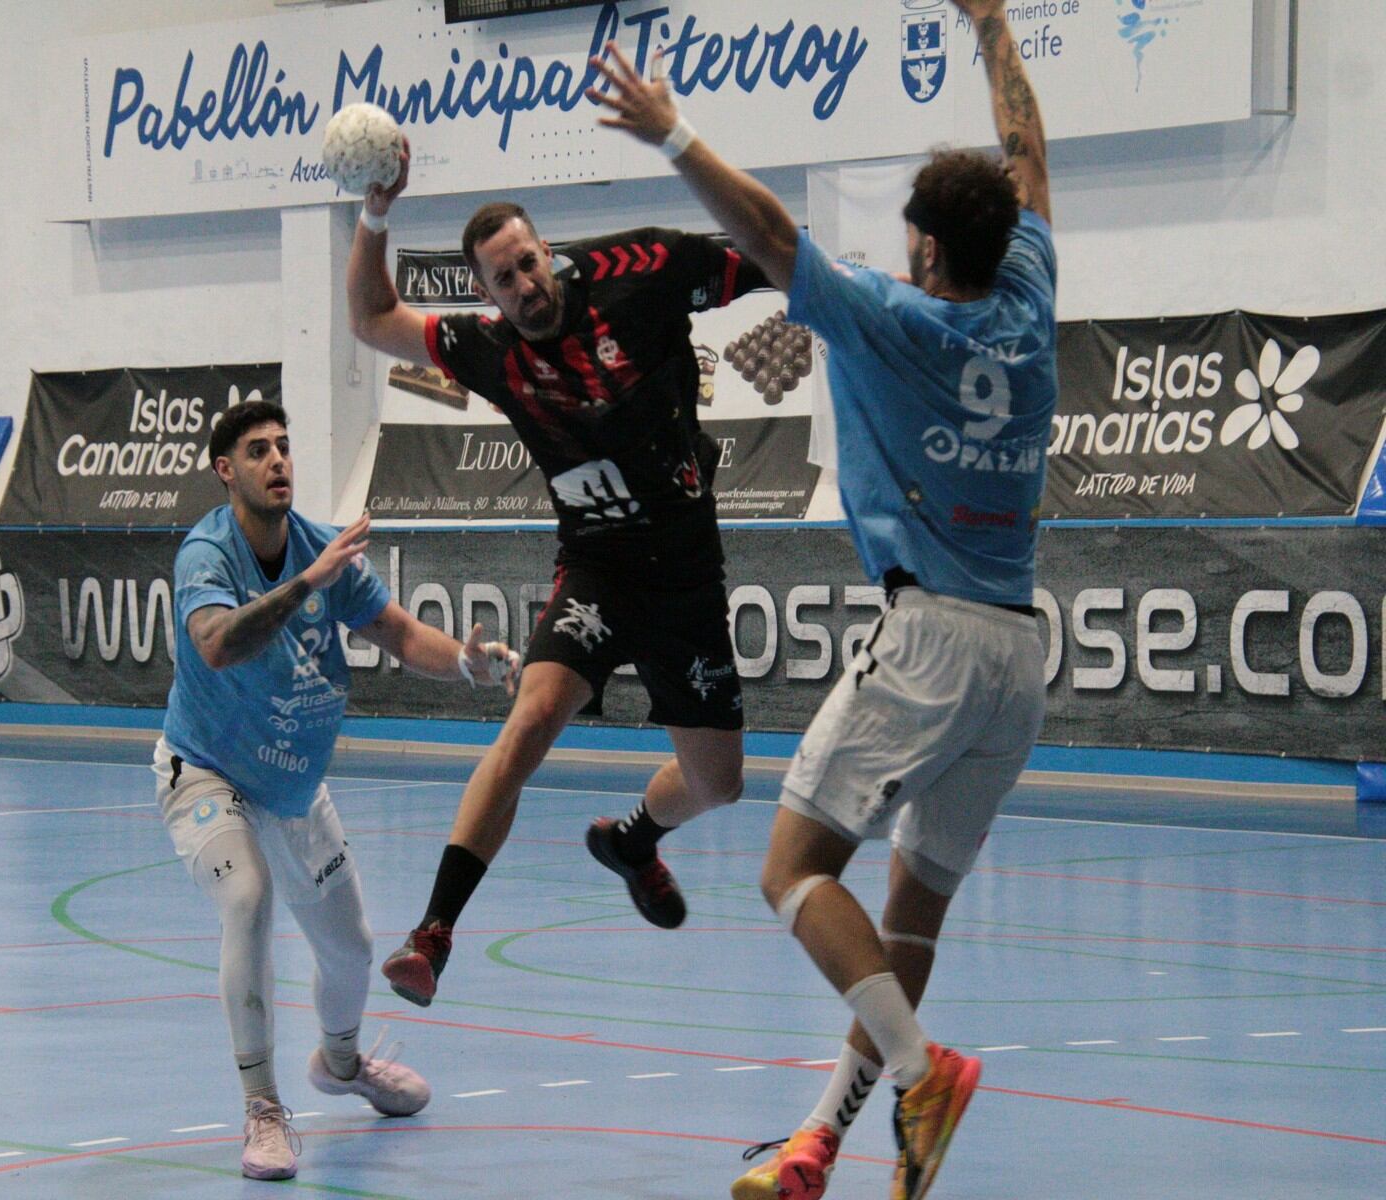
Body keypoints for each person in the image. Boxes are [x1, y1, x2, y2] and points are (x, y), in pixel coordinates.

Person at [591, 1, 1056, 1197]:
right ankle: (823, 1144)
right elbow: (1029, 156)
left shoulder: (901, 318)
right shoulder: (1030, 287)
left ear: (930, 256)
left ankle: (917, 1078)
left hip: (933, 638)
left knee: (793, 870)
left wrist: (672, 133)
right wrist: (993, 23)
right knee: (910, 920)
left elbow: (767, 229)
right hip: (1017, 656)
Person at [345, 135, 771, 1008]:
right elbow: (367, 317)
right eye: (503, 279)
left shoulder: (641, 273)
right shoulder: (491, 352)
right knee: (531, 719)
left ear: (548, 254)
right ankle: (433, 934)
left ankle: (634, 839)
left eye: (529, 264)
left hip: (686, 580)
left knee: (718, 784)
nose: (523, 286)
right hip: (598, 571)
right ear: (484, 292)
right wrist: (374, 212)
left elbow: (774, 255)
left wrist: (866, 300)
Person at [154, 399, 520, 1180]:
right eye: (258, 451)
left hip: (293, 785)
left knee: (351, 953)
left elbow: (397, 631)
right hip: (207, 770)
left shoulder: (322, 547)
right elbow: (217, 645)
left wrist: (467, 662)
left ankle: (343, 1064)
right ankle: (262, 1107)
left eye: (284, 447)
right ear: (226, 471)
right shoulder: (206, 554)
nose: (278, 461)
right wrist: (305, 583)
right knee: (246, 901)